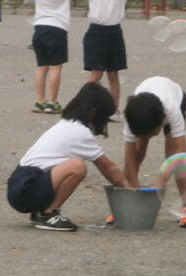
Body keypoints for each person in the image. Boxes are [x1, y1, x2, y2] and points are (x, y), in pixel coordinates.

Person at [7, 82, 126, 231]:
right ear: (93, 112)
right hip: (26, 189)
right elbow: (108, 167)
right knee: (77, 167)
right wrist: (129, 189)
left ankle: (40, 212)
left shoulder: (67, 124)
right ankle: (48, 214)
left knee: (73, 164)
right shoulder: (80, 133)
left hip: (20, 186)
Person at [122, 76, 186, 228]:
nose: (151, 136)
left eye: (152, 133)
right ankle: (125, 201)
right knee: (138, 150)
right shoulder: (132, 116)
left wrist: (161, 179)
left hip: (176, 97)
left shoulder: (172, 109)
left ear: (163, 119)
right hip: (146, 108)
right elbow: (129, 156)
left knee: (173, 155)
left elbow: (180, 150)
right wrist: (135, 187)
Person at [76, 0, 140, 121]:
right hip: (96, 33)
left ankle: (114, 110)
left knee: (113, 74)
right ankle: (83, 108)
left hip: (115, 33)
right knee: (96, 74)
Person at [31, 0, 81, 114]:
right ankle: (52, 102)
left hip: (39, 27)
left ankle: (39, 101)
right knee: (55, 67)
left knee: (41, 66)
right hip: (57, 29)